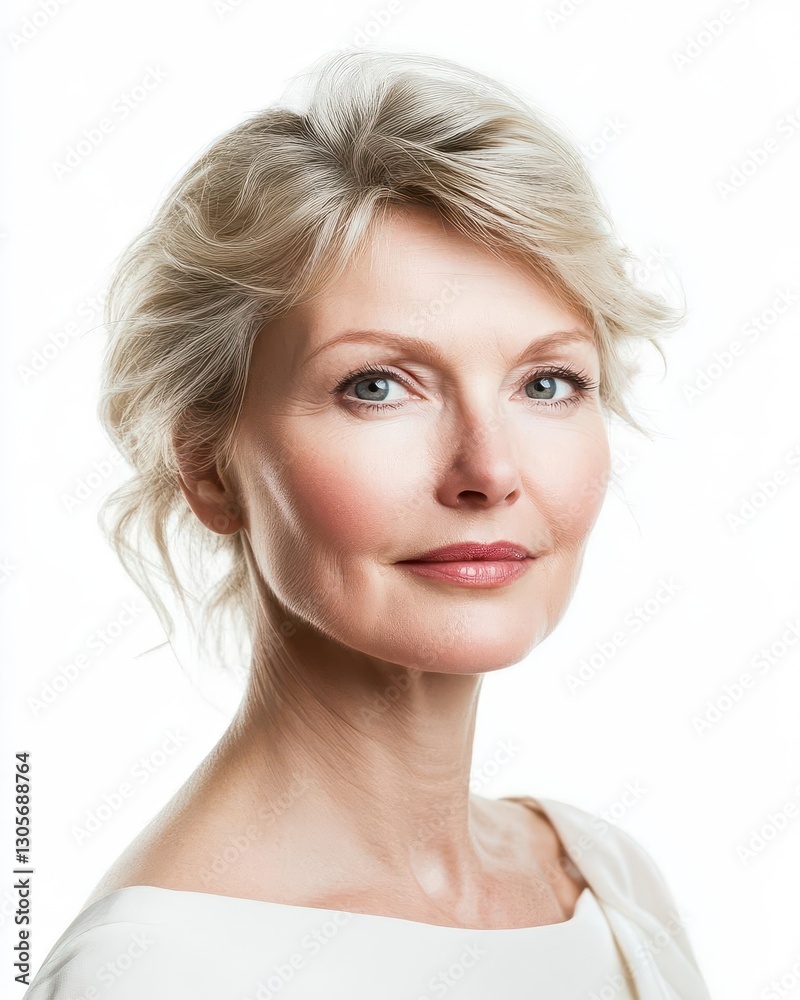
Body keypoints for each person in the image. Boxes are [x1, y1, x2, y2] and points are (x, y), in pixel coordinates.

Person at [24, 47, 712, 998]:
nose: (489, 471)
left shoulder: (606, 882)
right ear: (207, 467)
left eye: (547, 383)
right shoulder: (157, 974)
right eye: (378, 386)